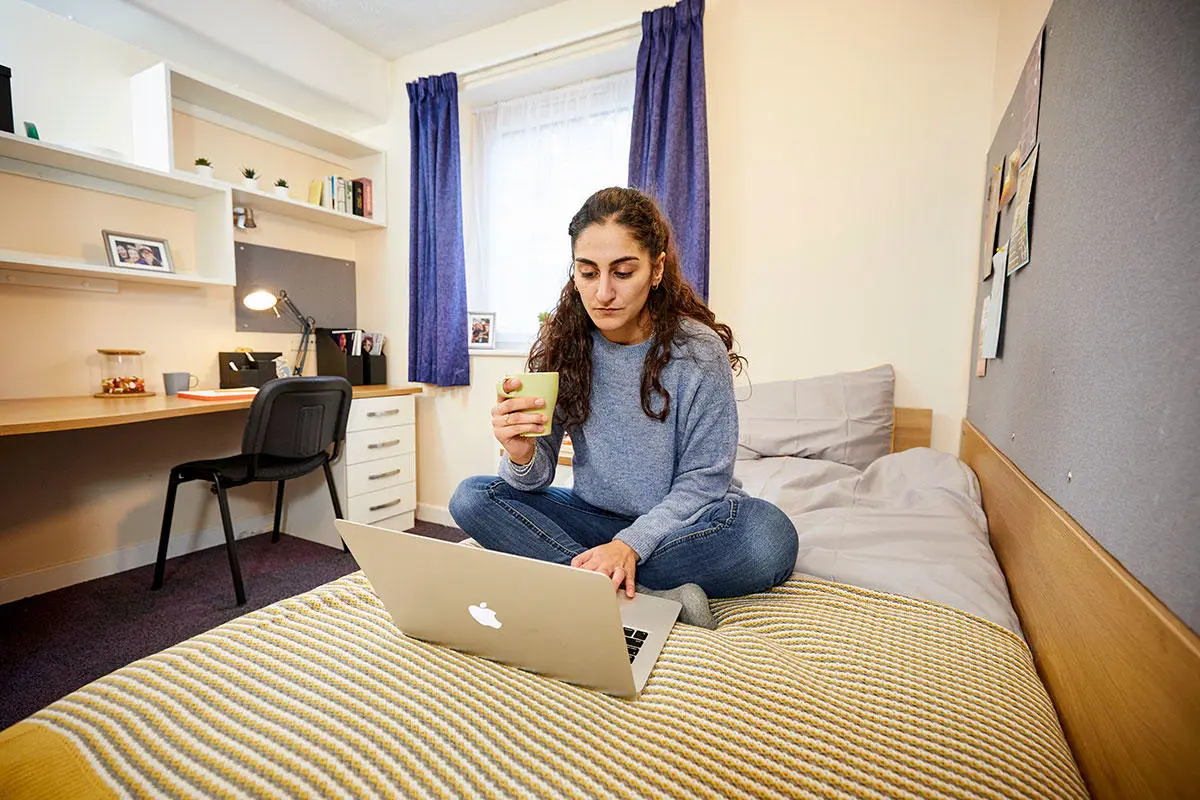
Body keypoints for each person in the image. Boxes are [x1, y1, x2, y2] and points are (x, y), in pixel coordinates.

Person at [449, 187, 798, 628]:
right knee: (473, 497)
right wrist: (520, 455)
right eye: (588, 272)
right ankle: (636, 593)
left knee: (767, 536)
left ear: (656, 269)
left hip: (683, 525)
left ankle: (580, 577)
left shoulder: (698, 352)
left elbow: (705, 482)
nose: (603, 292)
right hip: (593, 517)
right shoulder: (563, 347)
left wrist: (630, 545)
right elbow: (535, 480)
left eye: (623, 272)